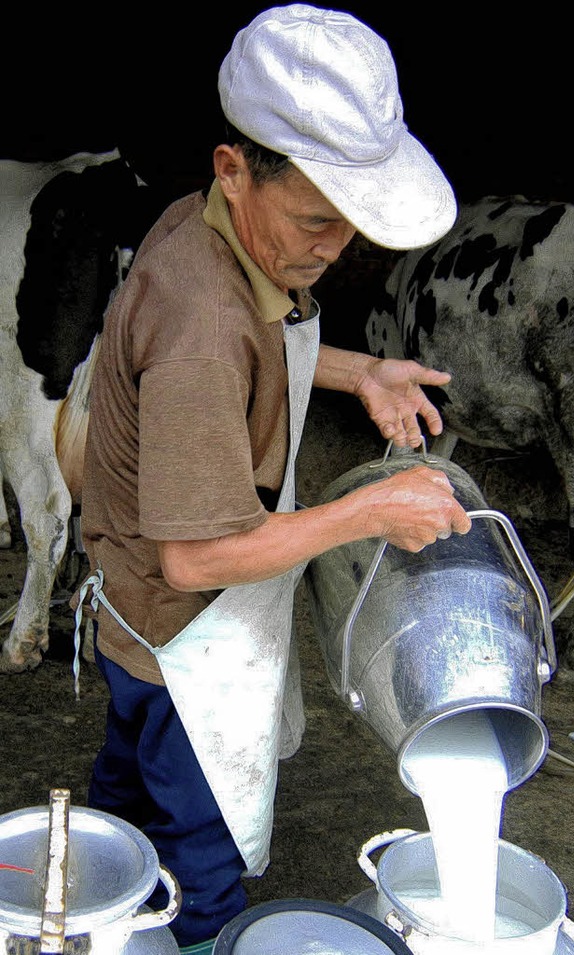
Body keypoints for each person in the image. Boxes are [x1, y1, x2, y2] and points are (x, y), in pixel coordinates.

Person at [74, 5, 471, 952]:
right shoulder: (200, 323)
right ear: (233, 169)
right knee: (202, 854)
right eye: (314, 221)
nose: (332, 250)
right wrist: (367, 508)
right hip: (183, 641)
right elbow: (194, 555)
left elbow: (268, 344)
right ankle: (208, 936)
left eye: (350, 229)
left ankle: (100, 908)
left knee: (125, 798)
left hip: (133, 622)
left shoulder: (210, 231)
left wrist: (356, 370)